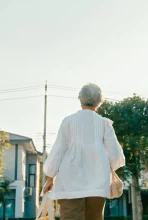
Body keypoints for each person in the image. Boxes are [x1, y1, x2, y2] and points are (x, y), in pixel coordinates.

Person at [42, 83, 125, 220]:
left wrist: (50, 178)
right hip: (98, 183)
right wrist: (106, 165)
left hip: (69, 183)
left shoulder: (68, 121)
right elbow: (116, 156)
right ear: (99, 102)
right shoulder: (104, 124)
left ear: (80, 99)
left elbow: (57, 152)